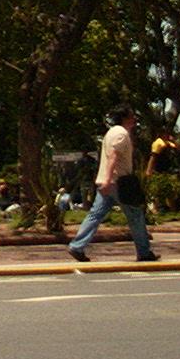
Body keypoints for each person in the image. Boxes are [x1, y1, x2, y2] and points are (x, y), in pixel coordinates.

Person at [67, 104, 159, 263]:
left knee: (95, 215)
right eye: (131, 116)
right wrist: (109, 180)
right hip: (119, 183)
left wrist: (105, 181)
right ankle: (144, 252)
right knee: (135, 216)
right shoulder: (121, 134)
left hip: (107, 182)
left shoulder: (110, 133)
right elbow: (113, 157)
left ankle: (77, 246)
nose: (134, 119)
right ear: (124, 118)